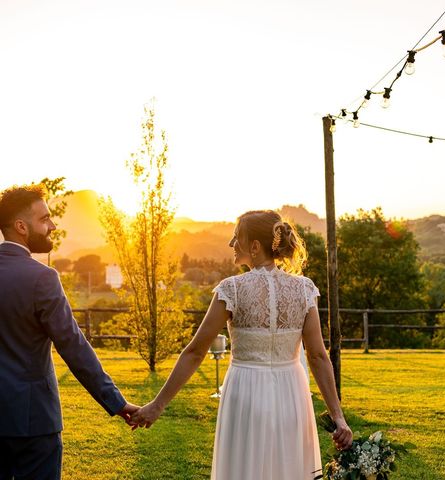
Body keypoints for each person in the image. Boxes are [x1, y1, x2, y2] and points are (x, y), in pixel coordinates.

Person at [131, 210, 352, 479]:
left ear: (255, 247)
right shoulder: (304, 289)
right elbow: (317, 356)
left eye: (236, 238)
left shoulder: (232, 289)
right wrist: (338, 417)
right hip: (292, 395)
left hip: (245, 392)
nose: (231, 244)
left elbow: (195, 351)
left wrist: (157, 405)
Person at [0, 184, 139, 480]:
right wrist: (115, 401)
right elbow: (73, 347)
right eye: (45, 219)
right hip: (33, 422)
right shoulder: (43, 278)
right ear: (21, 227)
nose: (52, 225)